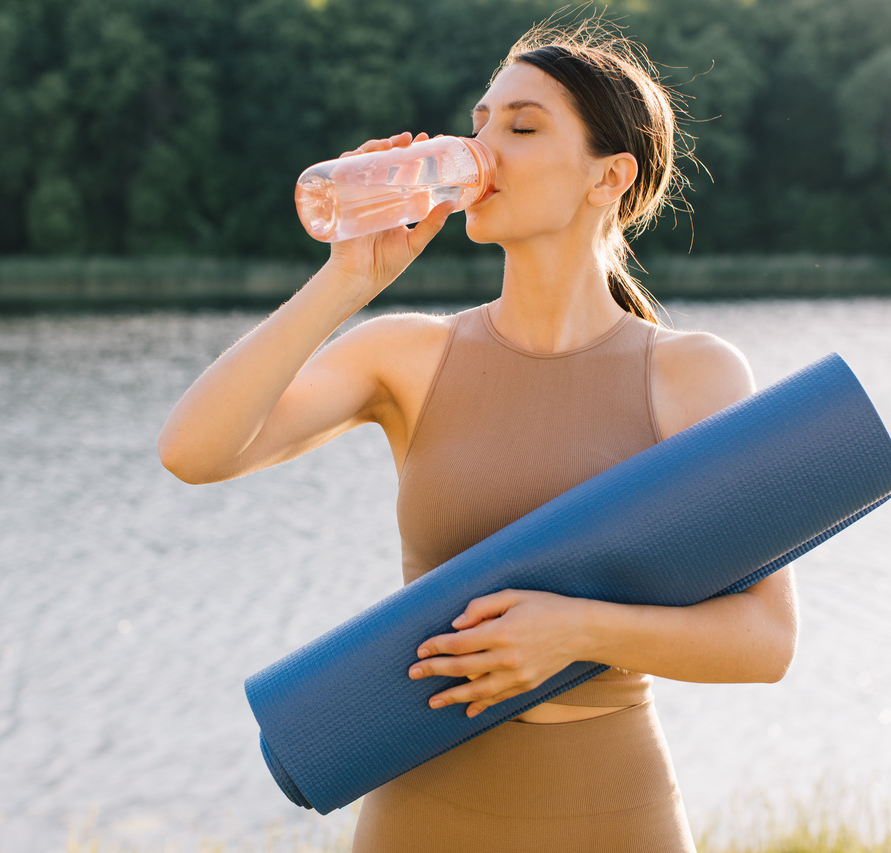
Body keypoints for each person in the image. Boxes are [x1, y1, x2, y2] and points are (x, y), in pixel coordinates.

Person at [159, 19, 798, 853]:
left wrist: (579, 630)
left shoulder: (690, 376)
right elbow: (192, 451)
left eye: (521, 127)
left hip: (614, 815)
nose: (482, 148)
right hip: (422, 812)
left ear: (610, 176)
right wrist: (346, 278)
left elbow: (766, 640)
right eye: (481, 122)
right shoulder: (406, 355)